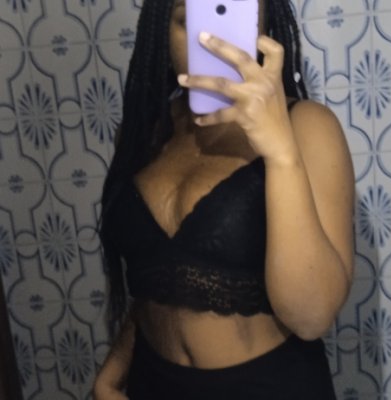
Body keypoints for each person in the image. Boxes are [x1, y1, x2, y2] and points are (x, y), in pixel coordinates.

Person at [94, 0, 355, 398]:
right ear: (161, 31)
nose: (212, 41)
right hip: (152, 382)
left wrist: (281, 154)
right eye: (188, 20)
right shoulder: (146, 132)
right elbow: (157, 280)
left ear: (263, 27)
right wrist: (112, 372)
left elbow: (312, 318)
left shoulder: (307, 127)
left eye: (232, 15)